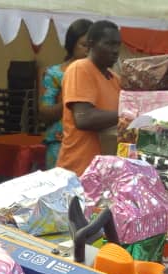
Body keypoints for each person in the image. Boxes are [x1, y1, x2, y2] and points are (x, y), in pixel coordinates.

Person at [56, 20, 121, 176]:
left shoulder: (115, 78)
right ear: (91, 44)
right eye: (109, 44)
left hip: (104, 171)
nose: (115, 51)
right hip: (79, 170)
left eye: (118, 45)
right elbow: (84, 118)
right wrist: (129, 114)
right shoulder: (80, 68)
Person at [38, 19, 92, 169]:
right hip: (60, 144)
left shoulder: (101, 75)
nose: (88, 51)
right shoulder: (55, 74)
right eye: (84, 45)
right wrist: (73, 101)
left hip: (91, 145)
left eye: (92, 46)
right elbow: (44, 112)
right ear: (71, 44)